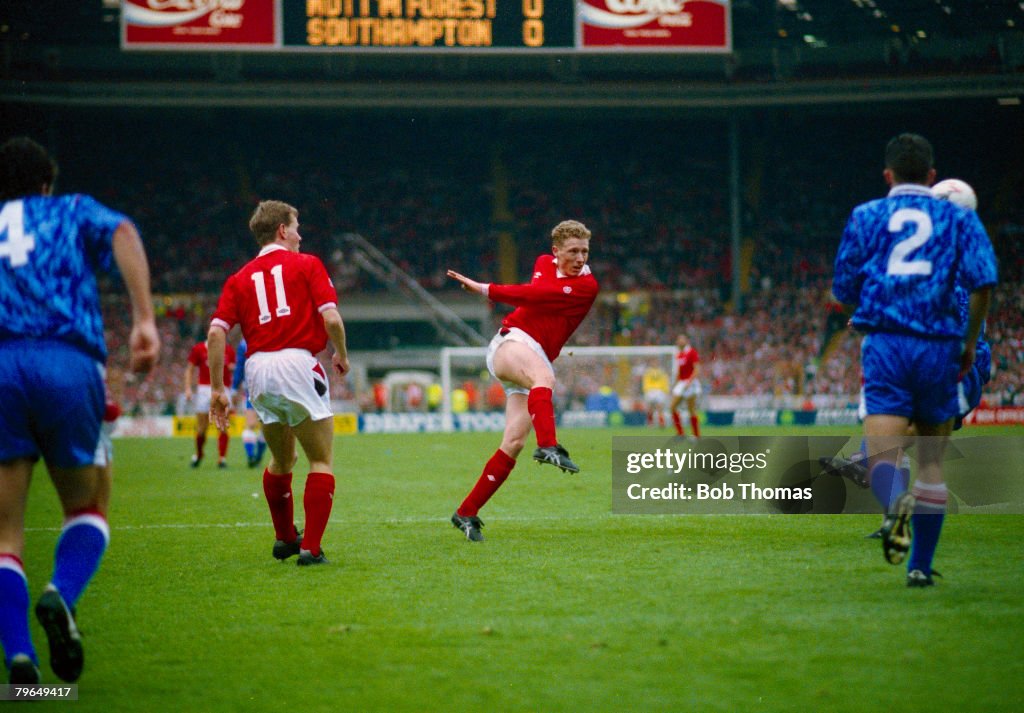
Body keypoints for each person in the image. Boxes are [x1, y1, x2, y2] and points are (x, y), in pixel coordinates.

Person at [0, 137, 160, 683]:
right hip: (66, 363)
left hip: (1, 367)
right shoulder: (70, 209)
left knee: (5, 536)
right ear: (47, 182)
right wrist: (143, 320)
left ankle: (19, 657)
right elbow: (122, 232)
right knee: (89, 505)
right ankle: (60, 595)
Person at [832, 134, 997, 587]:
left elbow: (844, 290)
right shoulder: (958, 220)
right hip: (940, 346)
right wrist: (967, 344)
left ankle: (892, 507)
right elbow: (984, 282)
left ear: (887, 176)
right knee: (930, 464)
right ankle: (920, 567)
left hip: (887, 344)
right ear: (931, 175)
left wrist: (867, 315)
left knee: (882, 454)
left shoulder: (866, 215)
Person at [207, 200, 349, 567]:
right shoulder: (308, 264)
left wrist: (218, 389)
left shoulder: (239, 278)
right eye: (296, 226)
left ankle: (285, 537)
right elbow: (331, 319)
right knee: (321, 460)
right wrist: (341, 354)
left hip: (258, 369)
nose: (300, 234)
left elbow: (216, 333)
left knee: (282, 459)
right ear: (282, 230)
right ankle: (311, 548)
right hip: (297, 362)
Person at [446, 219, 599, 541]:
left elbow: (537, 294)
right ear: (556, 252)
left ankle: (466, 512)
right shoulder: (544, 263)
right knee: (543, 377)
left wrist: (484, 288)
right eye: (573, 251)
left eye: (585, 251)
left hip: (533, 355)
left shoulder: (587, 286)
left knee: (513, 442)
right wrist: (485, 290)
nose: (580, 258)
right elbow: (535, 294)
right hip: (512, 343)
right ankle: (548, 446)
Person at [184, 335, 236, 468]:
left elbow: (234, 368)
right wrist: (188, 388)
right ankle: (199, 453)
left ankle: (222, 459)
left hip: (223, 389)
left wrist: (233, 370)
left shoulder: (229, 350)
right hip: (204, 389)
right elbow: (189, 369)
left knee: (222, 425)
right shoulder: (199, 349)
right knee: (202, 428)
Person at [233, 338, 268, 468]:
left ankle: (257, 457)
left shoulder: (271, 334)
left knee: (267, 426)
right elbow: (239, 366)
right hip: (252, 389)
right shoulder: (244, 344)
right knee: (251, 424)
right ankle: (251, 456)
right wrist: (234, 388)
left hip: (270, 388)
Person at [669, 334, 702, 439]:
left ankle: (696, 435)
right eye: (678, 340)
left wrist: (689, 382)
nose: (679, 341)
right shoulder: (679, 355)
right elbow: (680, 371)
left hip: (690, 383)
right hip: (681, 383)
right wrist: (675, 383)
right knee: (672, 407)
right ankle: (681, 433)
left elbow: (696, 369)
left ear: (686, 341)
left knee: (691, 409)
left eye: (681, 339)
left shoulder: (692, 352)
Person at [640, 360, 670, 428]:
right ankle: (650, 423)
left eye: (656, 362)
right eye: (653, 362)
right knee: (650, 407)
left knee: (659, 407)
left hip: (659, 391)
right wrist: (646, 390)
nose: (654, 363)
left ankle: (661, 422)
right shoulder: (648, 372)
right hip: (650, 390)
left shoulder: (661, 372)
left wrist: (665, 390)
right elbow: (645, 381)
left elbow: (665, 381)